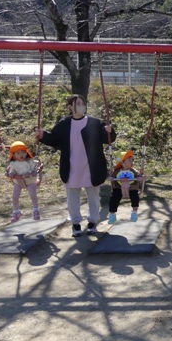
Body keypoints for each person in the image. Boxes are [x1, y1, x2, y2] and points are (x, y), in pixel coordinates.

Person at [36, 94, 116, 237]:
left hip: (91, 166)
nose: (81, 106)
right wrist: (42, 135)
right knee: (72, 196)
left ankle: (92, 222)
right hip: (72, 165)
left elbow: (107, 138)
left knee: (93, 196)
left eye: (82, 103)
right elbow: (54, 139)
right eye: (77, 104)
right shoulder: (64, 124)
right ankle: (75, 223)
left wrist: (110, 131)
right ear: (70, 107)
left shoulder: (95, 122)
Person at [5, 140, 41, 223]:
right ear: (14, 155)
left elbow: (34, 169)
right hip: (18, 181)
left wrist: (32, 173)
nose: (21, 155)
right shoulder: (13, 163)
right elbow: (12, 170)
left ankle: (36, 210)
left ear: (26, 152)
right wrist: (11, 173)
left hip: (30, 180)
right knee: (15, 197)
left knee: (33, 194)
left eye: (23, 152)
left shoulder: (30, 161)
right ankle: (16, 212)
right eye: (18, 153)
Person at [108, 150, 142, 224]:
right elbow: (113, 179)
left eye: (132, 160)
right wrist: (111, 178)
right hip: (119, 188)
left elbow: (139, 176)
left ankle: (134, 213)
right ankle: (112, 214)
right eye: (129, 160)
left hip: (132, 188)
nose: (132, 162)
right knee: (114, 198)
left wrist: (141, 177)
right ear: (122, 163)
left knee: (135, 197)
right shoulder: (117, 171)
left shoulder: (133, 171)